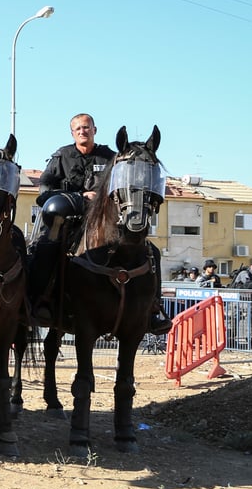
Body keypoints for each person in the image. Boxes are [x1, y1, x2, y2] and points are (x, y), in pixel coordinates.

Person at [28, 113, 172, 334]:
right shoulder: (61, 157)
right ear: (72, 132)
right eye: (78, 128)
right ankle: (41, 302)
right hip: (69, 219)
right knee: (45, 247)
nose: (83, 131)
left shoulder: (112, 158)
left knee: (151, 251)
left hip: (108, 220)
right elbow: (45, 189)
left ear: (94, 130)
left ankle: (153, 309)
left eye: (87, 127)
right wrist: (78, 196)